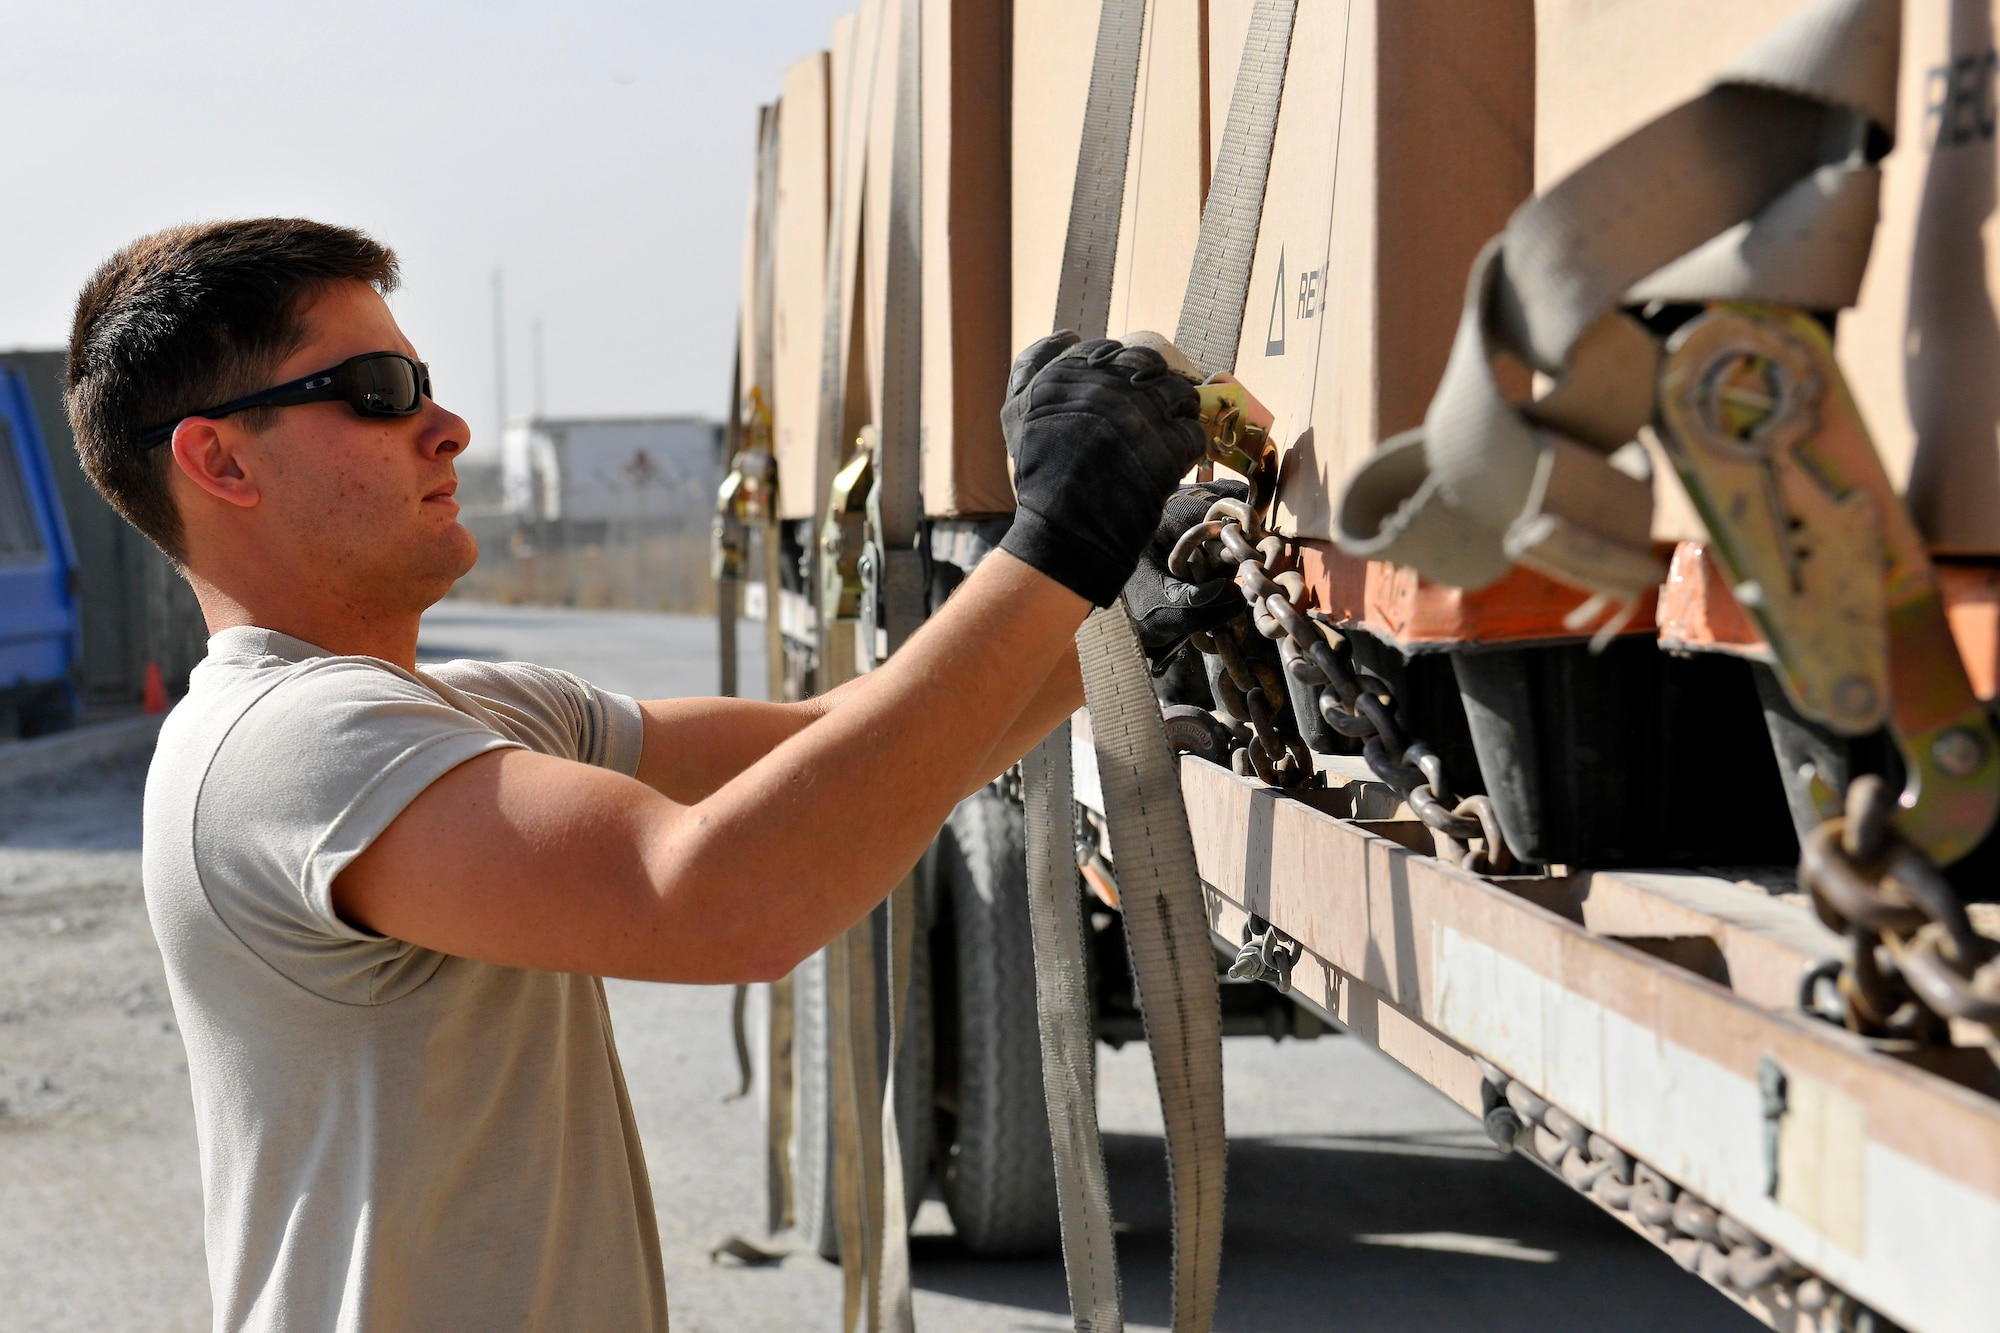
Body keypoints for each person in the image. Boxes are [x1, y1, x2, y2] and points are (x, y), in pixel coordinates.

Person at [64, 217, 1210, 1331]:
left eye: (424, 382)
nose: (448, 426)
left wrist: (1113, 606)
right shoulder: (285, 744)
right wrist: (1058, 540)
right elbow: (717, 898)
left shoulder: (468, 712)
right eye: (376, 391)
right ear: (217, 460)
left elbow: (832, 743)